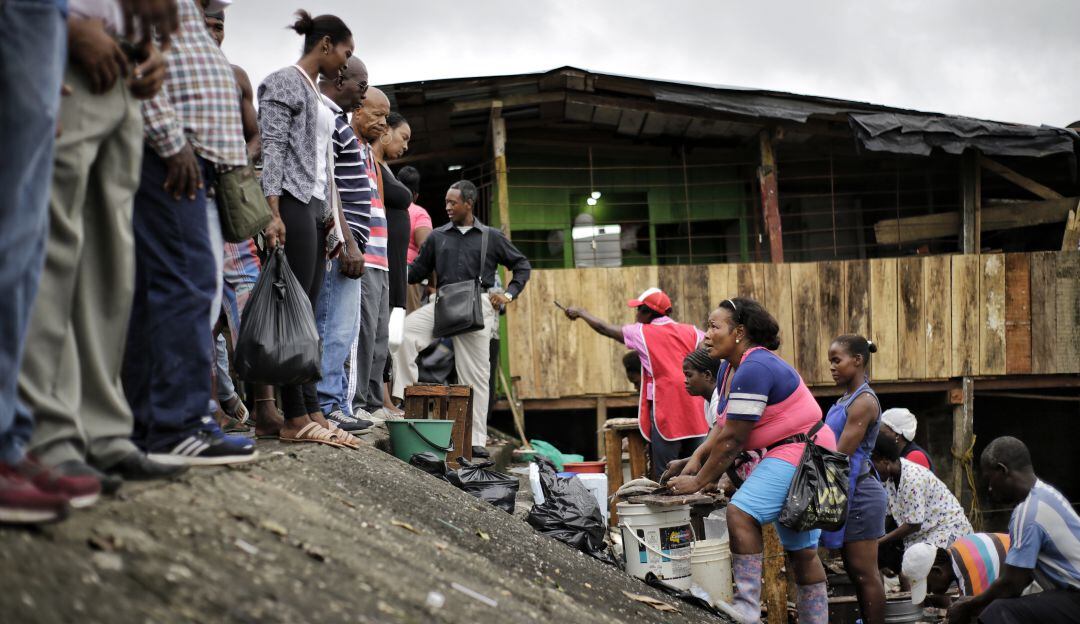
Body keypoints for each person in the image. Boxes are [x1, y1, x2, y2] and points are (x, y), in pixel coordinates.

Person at [15, 1, 187, 515]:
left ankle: (101, 428)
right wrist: (62, 26)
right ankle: (48, 430)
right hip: (65, 45)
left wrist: (152, 50)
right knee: (52, 248)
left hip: (124, 67)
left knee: (109, 262)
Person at [120, 0, 258, 466]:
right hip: (177, 158)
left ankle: (154, 424)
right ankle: (177, 424)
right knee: (185, 284)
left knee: (169, 288)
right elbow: (138, 57)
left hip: (192, 161)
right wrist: (170, 140)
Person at [663, 297, 838, 624]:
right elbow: (723, 430)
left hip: (805, 451)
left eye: (714, 326)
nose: (706, 334)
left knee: (741, 513)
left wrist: (700, 481)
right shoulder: (731, 367)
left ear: (739, 332)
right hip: (791, 450)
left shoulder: (755, 367)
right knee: (801, 552)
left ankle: (746, 607)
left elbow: (734, 439)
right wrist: (694, 460)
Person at [256, 10, 361, 450]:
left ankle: (312, 409)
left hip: (315, 209)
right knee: (295, 315)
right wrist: (272, 212)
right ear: (325, 45)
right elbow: (273, 148)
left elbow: (326, 167)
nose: (346, 61)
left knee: (310, 317)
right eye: (345, 52)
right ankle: (294, 416)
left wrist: (334, 224)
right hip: (292, 205)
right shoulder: (282, 81)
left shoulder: (318, 98)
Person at [394, 180, 531, 458]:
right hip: (443, 302)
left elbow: (521, 265)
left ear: (469, 203)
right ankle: (400, 402)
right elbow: (417, 271)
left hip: (477, 307)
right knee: (404, 334)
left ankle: (476, 440)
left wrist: (508, 295)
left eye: (452, 202)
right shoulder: (437, 236)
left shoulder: (491, 236)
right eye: (446, 202)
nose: (447, 207)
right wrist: (390, 266)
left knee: (477, 377)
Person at [201, 0, 279, 436]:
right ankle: (212, 405)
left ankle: (266, 409)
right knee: (201, 313)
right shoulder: (176, 71)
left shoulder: (236, 77)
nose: (215, 32)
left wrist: (233, 163)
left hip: (234, 209)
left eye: (219, 26)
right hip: (194, 204)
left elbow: (256, 137)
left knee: (255, 312)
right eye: (207, 23)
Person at [564, 288, 707, 478]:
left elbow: (604, 328)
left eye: (638, 310)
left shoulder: (641, 332)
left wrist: (581, 312)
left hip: (668, 410)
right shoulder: (693, 332)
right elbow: (708, 349)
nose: (636, 314)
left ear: (647, 312)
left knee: (666, 473)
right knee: (696, 469)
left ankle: (668, 503)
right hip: (697, 410)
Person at [947, 436, 1080, 624]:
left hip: (1075, 597)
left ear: (1002, 470)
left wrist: (969, 604)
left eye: (990, 480)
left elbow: (1012, 584)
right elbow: (1021, 578)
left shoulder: (1028, 512)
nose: (990, 489)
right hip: (1069, 594)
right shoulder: (1047, 494)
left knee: (999, 611)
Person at [313, 56, 372, 432]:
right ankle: (327, 402)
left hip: (348, 244)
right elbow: (329, 187)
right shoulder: (327, 119)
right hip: (339, 245)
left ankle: (331, 401)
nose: (362, 95)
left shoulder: (336, 121)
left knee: (343, 329)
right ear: (340, 78)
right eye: (361, 86)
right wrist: (348, 242)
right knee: (332, 326)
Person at [820, 335, 888, 624]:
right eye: (830, 362)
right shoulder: (846, 399)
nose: (832, 368)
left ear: (857, 360)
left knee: (864, 572)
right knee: (853, 569)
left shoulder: (863, 402)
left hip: (859, 493)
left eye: (837, 361)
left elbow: (841, 454)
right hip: (847, 487)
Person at [349, 87, 391, 421]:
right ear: (358, 109)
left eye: (386, 117)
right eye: (378, 115)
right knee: (360, 335)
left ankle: (373, 402)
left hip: (382, 258)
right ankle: (357, 402)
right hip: (362, 254)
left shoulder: (368, 153)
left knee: (379, 336)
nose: (384, 124)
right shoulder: (348, 144)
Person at [873, 433, 972, 551]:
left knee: (930, 566)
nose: (872, 471)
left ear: (884, 461)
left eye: (873, 465)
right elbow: (888, 515)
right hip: (924, 536)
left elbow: (914, 524)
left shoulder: (911, 478)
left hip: (947, 531)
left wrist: (879, 541)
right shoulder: (889, 479)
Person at [902, 533, 1011, 607]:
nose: (930, 592)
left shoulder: (969, 573)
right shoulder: (959, 547)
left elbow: (978, 613)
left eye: (929, 587)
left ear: (937, 571)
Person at [398, 166, 433, 313]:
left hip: (383, 272)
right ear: (416, 195)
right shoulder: (419, 213)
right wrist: (433, 284)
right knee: (408, 326)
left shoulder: (384, 209)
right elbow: (427, 250)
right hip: (408, 278)